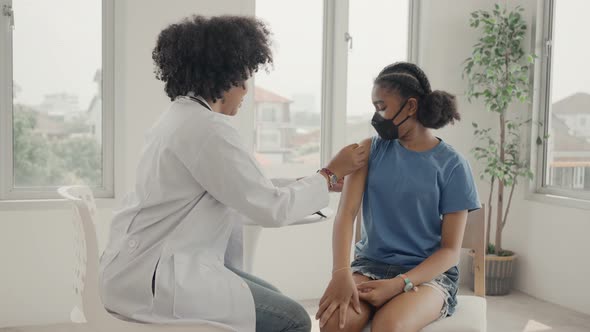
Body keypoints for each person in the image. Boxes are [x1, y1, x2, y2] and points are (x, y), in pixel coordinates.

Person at [99, 15, 366, 332]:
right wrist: (328, 173)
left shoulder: (180, 118)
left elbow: (244, 186)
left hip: (139, 267)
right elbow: (270, 208)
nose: (245, 90)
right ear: (222, 79)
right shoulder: (208, 130)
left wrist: (318, 182)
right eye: (243, 79)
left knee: (275, 300)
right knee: (292, 319)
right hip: (159, 279)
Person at [316, 62, 481, 332]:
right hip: (370, 266)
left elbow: (450, 251)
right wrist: (341, 272)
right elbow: (346, 213)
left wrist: (399, 284)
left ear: (411, 106)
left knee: (389, 327)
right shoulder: (369, 150)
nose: (376, 116)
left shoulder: (453, 165)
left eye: (381, 107)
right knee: (334, 324)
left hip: (426, 276)